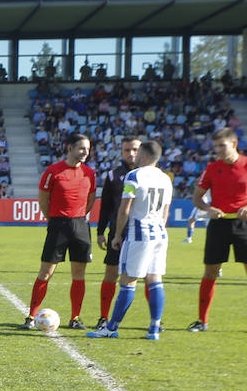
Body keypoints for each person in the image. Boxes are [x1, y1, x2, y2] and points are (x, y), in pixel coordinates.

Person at [87, 140, 172, 341]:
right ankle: (154, 329)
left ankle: (111, 328)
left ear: (143, 155)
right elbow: (165, 212)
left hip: (139, 233)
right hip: (159, 232)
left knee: (128, 280)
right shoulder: (165, 178)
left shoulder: (134, 176)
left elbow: (125, 208)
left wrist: (117, 235)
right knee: (154, 279)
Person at [187, 128, 247, 333]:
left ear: (234, 144)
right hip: (219, 225)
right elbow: (197, 198)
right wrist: (208, 209)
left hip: (245, 224)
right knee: (211, 271)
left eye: (222, 146)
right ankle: (202, 321)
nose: (218, 150)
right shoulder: (212, 168)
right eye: (215, 147)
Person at [23, 133, 97, 330]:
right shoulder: (52, 171)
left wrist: (78, 217)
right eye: (81, 148)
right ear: (70, 148)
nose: (85, 153)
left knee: (79, 273)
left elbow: (90, 200)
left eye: (88, 149)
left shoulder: (90, 173)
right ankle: (31, 317)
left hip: (81, 225)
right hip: (58, 225)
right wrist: (55, 219)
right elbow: (43, 201)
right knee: (46, 272)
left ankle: (75, 318)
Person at [93, 137, 143, 332]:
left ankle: (155, 321)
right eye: (126, 150)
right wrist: (100, 232)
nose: (131, 154)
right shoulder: (114, 176)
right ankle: (103, 318)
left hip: (141, 232)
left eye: (135, 149)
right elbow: (105, 206)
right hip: (117, 233)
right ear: (121, 152)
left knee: (148, 275)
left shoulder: (150, 175)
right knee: (111, 274)